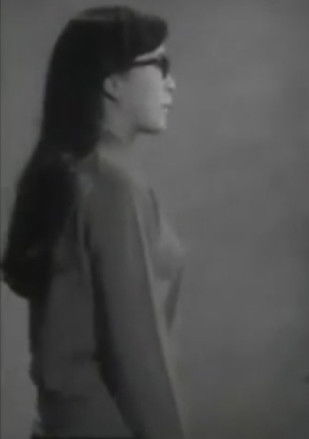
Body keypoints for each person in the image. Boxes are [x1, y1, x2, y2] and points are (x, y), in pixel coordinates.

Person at [1, 6, 186, 439]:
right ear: (112, 82)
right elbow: (138, 354)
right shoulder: (110, 185)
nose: (171, 82)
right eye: (160, 65)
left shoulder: (82, 173)